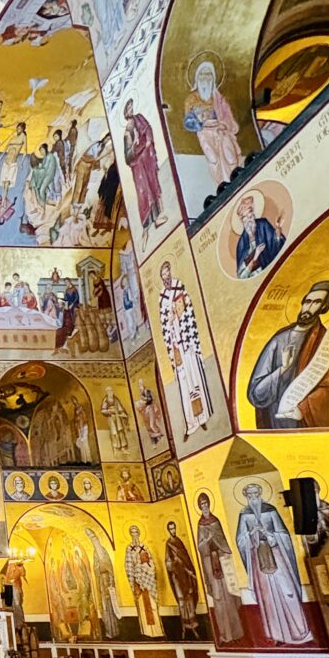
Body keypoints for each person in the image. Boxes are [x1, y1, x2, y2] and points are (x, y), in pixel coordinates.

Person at [247, 280, 329, 429]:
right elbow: (256, 394)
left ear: (324, 307)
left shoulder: (324, 341)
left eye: (316, 303)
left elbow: (327, 389)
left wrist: (302, 410)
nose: (308, 308)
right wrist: (283, 369)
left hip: (304, 422)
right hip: (276, 423)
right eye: (307, 302)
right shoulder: (279, 340)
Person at [235, 480, 312, 645]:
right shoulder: (244, 514)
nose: (253, 498)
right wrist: (251, 534)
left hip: (277, 557)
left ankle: (299, 631)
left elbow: (283, 534)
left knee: (287, 591)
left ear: (260, 494)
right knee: (267, 597)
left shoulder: (271, 510)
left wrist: (270, 535)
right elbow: (240, 540)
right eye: (250, 495)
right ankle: (277, 634)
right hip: (259, 560)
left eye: (256, 494)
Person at [157, 261, 212, 440]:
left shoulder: (180, 286)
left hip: (187, 342)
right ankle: (191, 423)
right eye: (163, 276)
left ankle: (202, 416)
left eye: (167, 274)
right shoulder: (162, 297)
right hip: (176, 346)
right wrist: (170, 317)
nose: (166, 278)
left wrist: (181, 314)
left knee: (195, 379)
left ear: (170, 273)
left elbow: (189, 309)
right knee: (184, 385)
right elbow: (164, 322)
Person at [196, 492, 245, 644]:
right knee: (218, 600)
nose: (204, 507)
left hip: (222, 563)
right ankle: (224, 634)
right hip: (211, 565)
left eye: (206, 504)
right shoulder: (200, 525)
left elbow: (223, 540)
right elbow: (201, 546)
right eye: (202, 505)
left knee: (229, 597)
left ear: (209, 505)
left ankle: (236, 633)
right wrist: (207, 540)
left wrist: (216, 542)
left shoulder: (215, 521)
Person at [184, 60, 242, 188]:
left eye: (209, 74)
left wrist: (224, 125)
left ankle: (236, 179)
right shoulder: (191, 99)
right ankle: (221, 184)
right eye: (202, 74)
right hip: (204, 132)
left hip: (221, 129)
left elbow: (228, 116)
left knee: (230, 156)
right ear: (197, 77)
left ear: (213, 77)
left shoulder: (219, 98)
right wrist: (198, 119)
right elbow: (188, 122)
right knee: (213, 159)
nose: (206, 77)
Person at [123, 99, 165, 242]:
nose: (131, 110)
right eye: (128, 109)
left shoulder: (139, 119)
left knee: (153, 185)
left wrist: (147, 141)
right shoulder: (127, 134)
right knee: (144, 191)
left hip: (147, 160)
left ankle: (158, 215)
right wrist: (136, 147)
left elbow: (148, 129)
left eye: (131, 107)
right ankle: (150, 222)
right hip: (138, 166)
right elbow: (127, 157)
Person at [233, 194, 285, 279]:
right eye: (245, 218)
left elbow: (275, 247)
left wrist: (278, 233)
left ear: (253, 214)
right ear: (242, 221)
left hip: (273, 269)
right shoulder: (241, 243)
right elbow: (241, 275)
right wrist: (255, 255)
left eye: (250, 215)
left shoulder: (263, 224)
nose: (249, 219)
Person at [124, 525, 163, 637]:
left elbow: (151, 562)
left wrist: (149, 569)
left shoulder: (144, 547)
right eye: (132, 533)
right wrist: (134, 583)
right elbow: (129, 567)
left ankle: (157, 631)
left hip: (149, 581)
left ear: (139, 533)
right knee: (142, 606)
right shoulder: (129, 549)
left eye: (136, 532)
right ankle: (147, 631)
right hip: (138, 581)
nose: (134, 535)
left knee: (153, 605)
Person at [164, 521, 200, 638]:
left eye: (174, 528)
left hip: (186, 576)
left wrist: (188, 570)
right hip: (177, 578)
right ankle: (184, 626)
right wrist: (175, 563)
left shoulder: (179, 542)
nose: (173, 531)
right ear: (168, 530)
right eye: (170, 529)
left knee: (189, 599)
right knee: (182, 602)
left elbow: (186, 559)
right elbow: (168, 563)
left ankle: (193, 625)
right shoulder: (169, 544)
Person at [84, 528, 120, 639]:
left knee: (111, 606)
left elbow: (108, 564)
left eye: (94, 537)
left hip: (109, 583)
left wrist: (108, 578)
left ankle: (115, 629)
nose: (94, 540)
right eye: (91, 538)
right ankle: (109, 630)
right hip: (101, 584)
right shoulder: (95, 553)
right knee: (104, 607)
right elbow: (95, 567)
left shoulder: (104, 551)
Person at [99, 386, 131, 453]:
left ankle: (123, 447)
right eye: (109, 391)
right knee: (114, 433)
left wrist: (122, 413)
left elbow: (120, 408)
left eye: (111, 391)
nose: (110, 392)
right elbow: (102, 410)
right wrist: (109, 411)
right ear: (107, 392)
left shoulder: (115, 399)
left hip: (117, 416)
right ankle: (115, 447)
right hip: (110, 417)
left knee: (120, 431)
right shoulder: (106, 400)